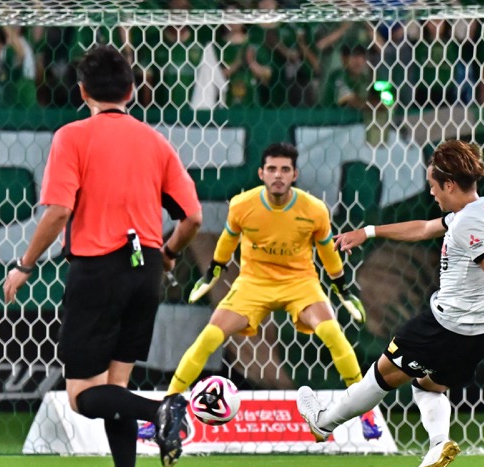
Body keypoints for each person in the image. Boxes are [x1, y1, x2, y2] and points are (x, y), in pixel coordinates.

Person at [2, 45, 202, 467]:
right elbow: (190, 217)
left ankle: (161, 412)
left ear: (82, 91)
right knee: (117, 385)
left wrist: (25, 264)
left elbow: (59, 211)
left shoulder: (73, 137)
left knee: (82, 396)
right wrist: (169, 255)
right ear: (132, 91)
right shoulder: (155, 142)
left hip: (99, 268)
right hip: (146, 269)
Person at [296, 140, 484, 467]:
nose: (431, 192)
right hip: (482, 332)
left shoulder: (469, 223)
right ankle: (438, 445)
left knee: (380, 377)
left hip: (445, 326)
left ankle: (323, 423)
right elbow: (425, 228)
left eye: (433, 185)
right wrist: (368, 232)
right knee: (429, 386)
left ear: (450, 185)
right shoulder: (482, 208)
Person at [162, 142, 382, 440]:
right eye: (272, 169)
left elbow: (328, 251)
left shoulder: (314, 209)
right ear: (261, 173)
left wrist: (342, 289)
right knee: (210, 337)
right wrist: (213, 274)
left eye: (285, 170)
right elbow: (228, 240)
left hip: (300, 283)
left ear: (295, 175)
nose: (278, 175)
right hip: (253, 283)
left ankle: (366, 415)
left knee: (332, 333)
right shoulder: (242, 204)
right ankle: (165, 411)